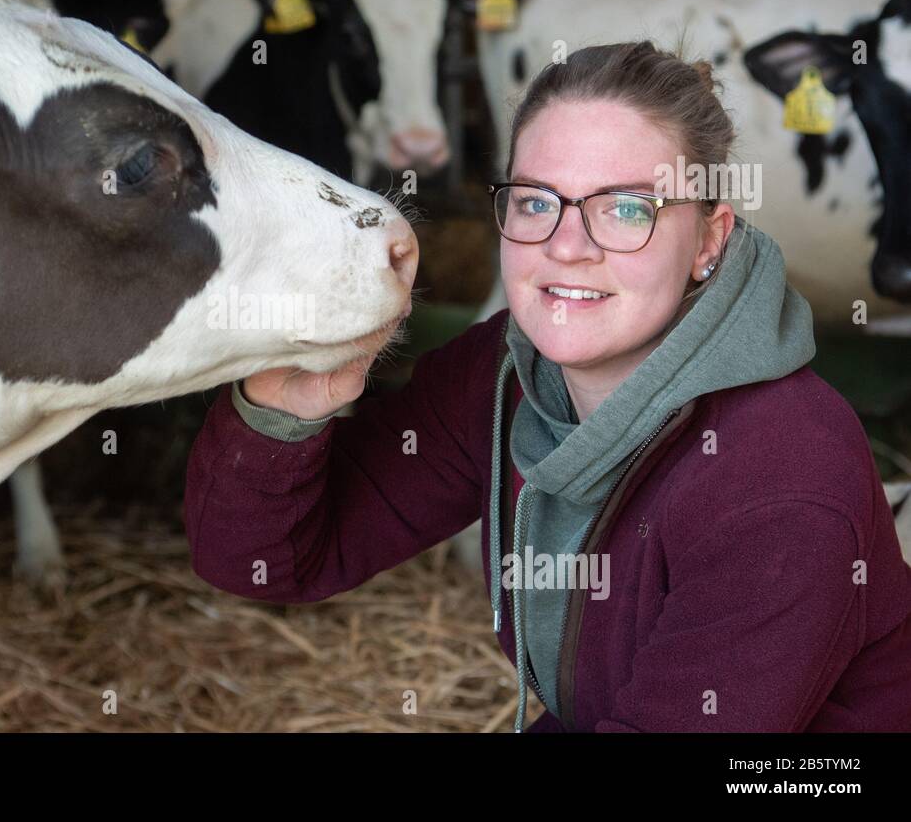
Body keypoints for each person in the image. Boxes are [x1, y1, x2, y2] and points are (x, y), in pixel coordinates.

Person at [182, 41, 911, 732]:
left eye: (626, 208)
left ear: (709, 241)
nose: (566, 246)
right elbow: (268, 561)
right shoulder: (505, 374)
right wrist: (283, 409)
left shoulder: (780, 481)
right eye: (535, 201)